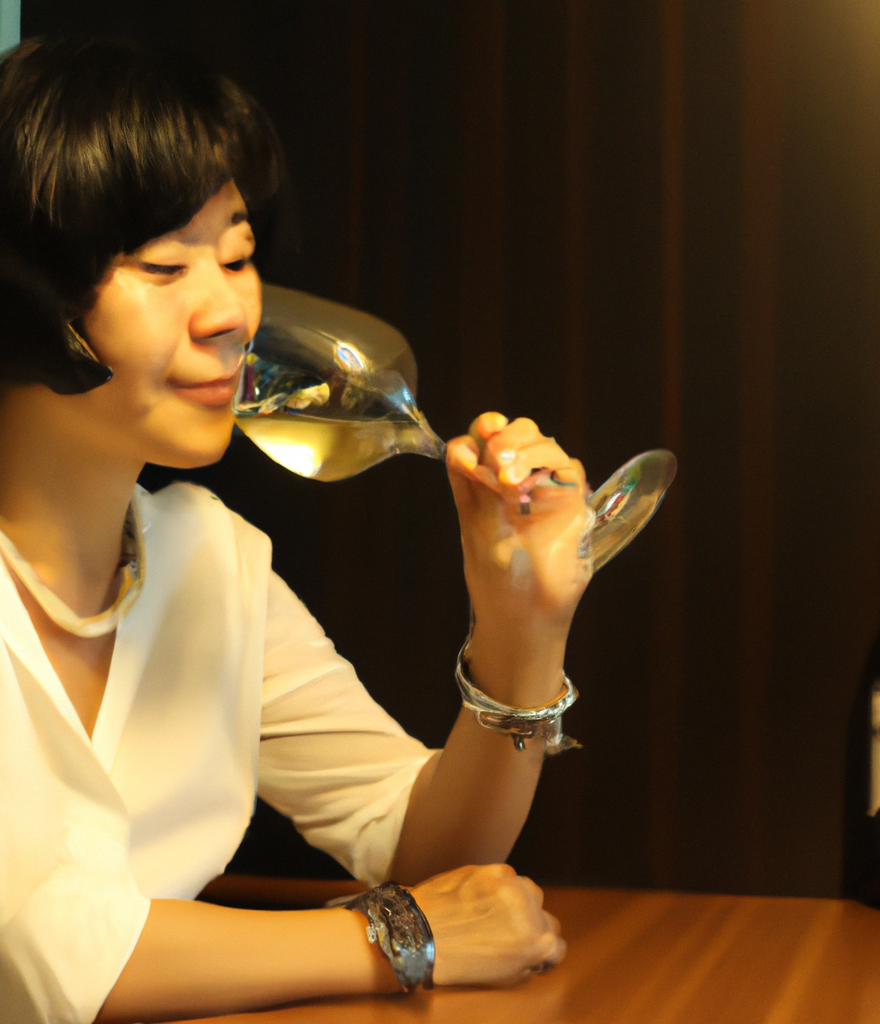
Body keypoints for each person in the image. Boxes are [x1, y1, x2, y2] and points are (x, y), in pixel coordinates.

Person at [0, 37, 596, 1024]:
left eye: (237, 256)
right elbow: (42, 946)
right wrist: (397, 939)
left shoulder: (207, 559)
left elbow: (425, 847)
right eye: (164, 263)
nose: (230, 311)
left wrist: (521, 627)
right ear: (25, 291)